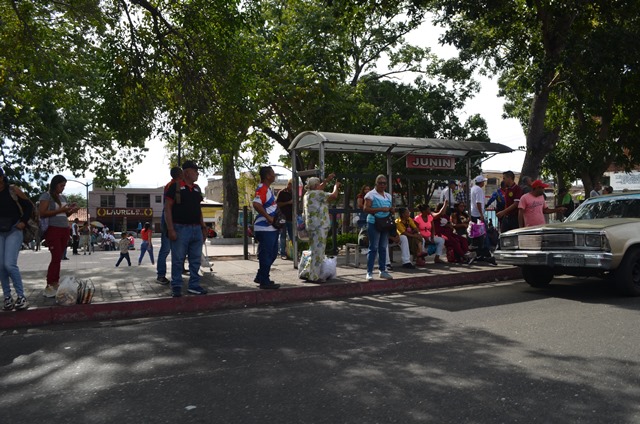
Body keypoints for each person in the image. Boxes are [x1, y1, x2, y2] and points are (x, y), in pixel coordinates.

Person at [164, 161, 208, 297]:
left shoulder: (196, 189)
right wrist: (170, 229)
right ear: (187, 172)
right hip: (180, 228)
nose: (198, 173)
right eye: (195, 171)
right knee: (178, 259)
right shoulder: (175, 187)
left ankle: (194, 285)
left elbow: (198, 209)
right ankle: (176, 285)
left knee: (195, 259)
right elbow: (167, 208)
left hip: (196, 229)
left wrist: (203, 226)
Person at [39, 175, 79, 298]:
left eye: (64, 186)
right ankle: (51, 282)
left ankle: (55, 282)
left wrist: (71, 210)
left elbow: (64, 214)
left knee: (59, 257)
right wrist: (59, 210)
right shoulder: (47, 196)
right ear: (55, 184)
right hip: (53, 229)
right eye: (61, 185)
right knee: (56, 257)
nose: (63, 188)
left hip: (64, 229)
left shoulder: (63, 197)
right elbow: (42, 212)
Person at [0, 167, 33, 310]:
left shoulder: (13, 190)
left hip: (14, 229)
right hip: (0, 231)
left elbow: (29, 207)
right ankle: (7, 297)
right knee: (0, 266)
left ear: (2, 177)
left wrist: (23, 222)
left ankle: (21, 296)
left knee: (9, 264)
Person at [303, 175, 340, 282]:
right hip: (320, 226)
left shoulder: (308, 194)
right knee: (318, 252)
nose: (321, 185)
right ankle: (314, 276)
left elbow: (320, 187)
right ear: (315, 186)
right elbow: (333, 196)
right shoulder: (317, 194)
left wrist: (327, 180)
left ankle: (309, 272)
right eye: (318, 184)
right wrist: (336, 186)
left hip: (312, 225)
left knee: (314, 250)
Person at [252, 166, 281, 289]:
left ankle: (261, 276)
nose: (275, 175)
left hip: (271, 228)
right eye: (273, 173)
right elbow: (256, 204)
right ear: (268, 176)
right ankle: (264, 280)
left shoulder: (268, 189)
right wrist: (269, 218)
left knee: (273, 253)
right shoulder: (262, 188)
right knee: (267, 254)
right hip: (265, 228)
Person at [363, 174, 394, 280]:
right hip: (374, 222)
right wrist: (380, 209)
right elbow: (366, 209)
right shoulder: (370, 194)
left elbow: (389, 208)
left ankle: (382, 270)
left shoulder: (388, 196)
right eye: (380, 183)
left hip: (385, 223)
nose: (382, 185)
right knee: (373, 247)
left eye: (384, 183)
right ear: (376, 183)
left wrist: (391, 209)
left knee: (383, 247)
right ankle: (369, 272)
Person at [156, 167, 183, 284]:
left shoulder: (170, 185)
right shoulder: (173, 186)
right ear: (180, 174)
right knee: (166, 249)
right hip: (169, 220)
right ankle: (160, 275)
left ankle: (165, 274)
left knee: (171, 249)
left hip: (170, 219)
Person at [469, 175, 494, 263]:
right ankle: (486, 252)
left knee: (477, 235)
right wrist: (481, 214)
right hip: (478, 215)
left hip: (473, 214)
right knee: (483, 234)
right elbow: (478, 202)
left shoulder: (473, 188)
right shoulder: (479, 190)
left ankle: (479, 252)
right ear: (481, 182)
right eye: (483, 181)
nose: (484, 182)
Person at [276, 178, 294, 260]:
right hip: (283, 217)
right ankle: (282, 253)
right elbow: (278, 204)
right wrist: (288, 202)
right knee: (282, 235)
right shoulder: (282, 192)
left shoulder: (294, 193)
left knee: (292, 235)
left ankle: (293, 252)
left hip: (291, 217)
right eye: (292, 186)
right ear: (289, 184)